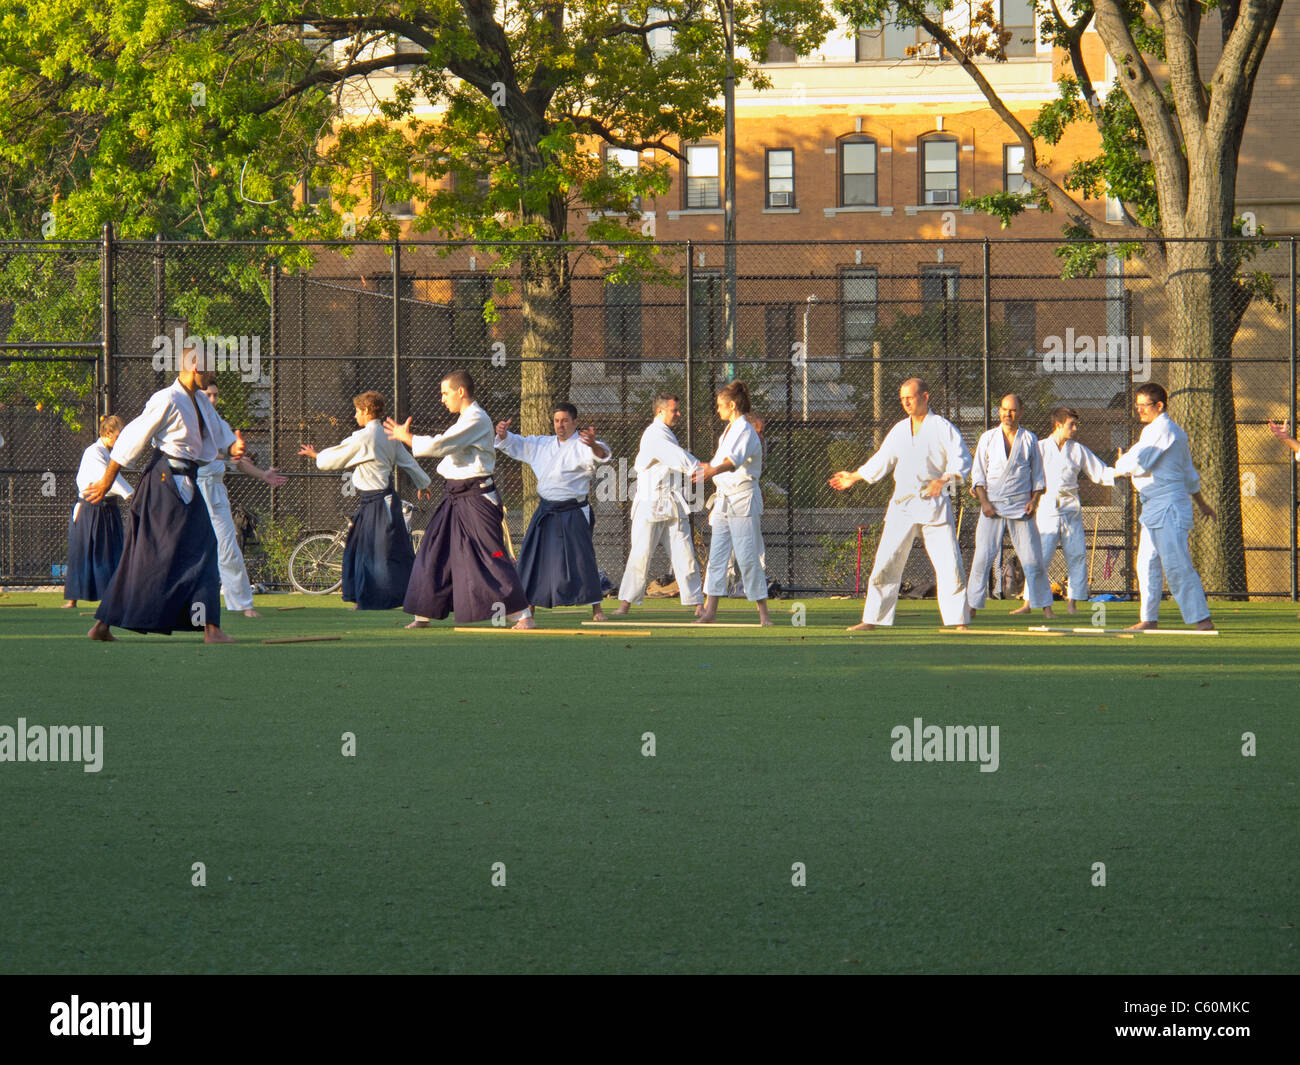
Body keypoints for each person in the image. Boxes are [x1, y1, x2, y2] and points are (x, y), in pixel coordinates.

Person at [84, 346, 243, 642]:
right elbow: (132, 438)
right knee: (154, 553)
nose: (214, 374)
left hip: (184, 481)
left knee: (189, 547)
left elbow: (218, 431)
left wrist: (233, 445)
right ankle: (210, 629)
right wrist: (107, 481)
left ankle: (104, 625)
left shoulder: (199, 400)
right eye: (210, 369)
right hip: (163, 482)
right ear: (195, 366)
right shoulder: (167, 398)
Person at [385, 371, 534, 629]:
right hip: (453, 496)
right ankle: (423, 614)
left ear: (461, 392)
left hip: (477, 497)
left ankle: (523, 615)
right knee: (433, 550)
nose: (442, 400)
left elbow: (442, 445)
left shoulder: (476, 418)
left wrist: (407, 438)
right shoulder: (465, 418)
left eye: (445, 393)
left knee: (492, 554)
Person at [829, 377, 971, 630]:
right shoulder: (899, 430)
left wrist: (944, 480)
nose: (905, 402)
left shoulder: (941, 427)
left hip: (934, 505)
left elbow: (961, 461)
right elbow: (882, 459)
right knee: (886, 563)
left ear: (925, 397)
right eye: (902, 398)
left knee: (949, 563)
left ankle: (958, 621)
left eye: (911, 396)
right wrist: (854, 476)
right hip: (903, 506)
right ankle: (872, 620)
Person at [300, 390, 430, 610]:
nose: (354, 416)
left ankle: (374, 600)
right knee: (372, 550)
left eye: (357, 411)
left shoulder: (364, 437)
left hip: (379, 504)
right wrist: (423, 482)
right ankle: (368, 598)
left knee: (375, 553)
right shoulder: (388, 434)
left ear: (367, 411)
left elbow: (335, 458)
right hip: (379, 502)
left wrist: (318, 457)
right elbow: (407, 461)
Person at [494, 402, 612, 620]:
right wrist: (504, 434)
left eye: (565, 420)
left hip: (573, 510)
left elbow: (602, 454)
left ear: (575, 422)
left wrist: (594, 444)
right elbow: (517, 443)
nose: (560, 425)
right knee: (533, 557)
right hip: (546, 509)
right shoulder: (543, 444)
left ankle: (597, 608)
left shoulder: (584, 444)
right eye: (557, 420)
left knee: (583, 559)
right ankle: (529, 607)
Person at [1112, 383, 1215, 630]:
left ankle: (1202, 619)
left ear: (1159, 406)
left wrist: (1120, 464)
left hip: (1169, 508)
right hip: (1154, 508)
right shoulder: (1160, 431)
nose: (1139, 411)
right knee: (1146, 562)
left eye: (1143, 406)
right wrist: (1202, 504)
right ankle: (1148, 619)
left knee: (1176, 563)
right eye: (1137, 406)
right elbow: (1189, 474)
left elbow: (1140, 461)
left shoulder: (1164, 429)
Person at [1010, 406, 1115, 615]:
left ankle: (1072, 604)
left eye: (1075, 424)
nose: (1075, 428)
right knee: (1040, 556)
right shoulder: (1039, 448)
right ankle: (1028, 603)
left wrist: (1122, 470)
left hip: (1071, 509)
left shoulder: (1077, 450)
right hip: (1047, 507)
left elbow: (1100, 471)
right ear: (1058, 425)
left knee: (1076, 555)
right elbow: (1022, 471)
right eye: (1071, 424)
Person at [199, 376, 287, 617]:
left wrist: (263, 474)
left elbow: (236, 460)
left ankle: (243, 605)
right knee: (183, 548)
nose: (213, 399)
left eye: (216, 395)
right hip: (191, 489)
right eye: (208, 395)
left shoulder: (221, 425)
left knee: (228, 547)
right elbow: (198, 453)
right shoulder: (187, 421)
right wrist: (227, 457)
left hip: (215, 490)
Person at [611, 393, 704, 616]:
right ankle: (625, 604)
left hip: (672, 502)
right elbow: (677, 457)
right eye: (674, 410)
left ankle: (698, 605)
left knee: (685, 555)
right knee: (641, 555)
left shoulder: (667, 434)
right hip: (650, 503)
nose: (678, 414)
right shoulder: (654, 435)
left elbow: (675, 459)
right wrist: (700, 467)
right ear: (660, 411)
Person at [967, 394, 1056, 621]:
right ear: (999, 412)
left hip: (1020, 507)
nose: (1008, 414)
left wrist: (1033, 502)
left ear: (1021, 412)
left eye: (1013, 410)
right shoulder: (987, 438)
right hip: (992, 506)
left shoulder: (1029, 439)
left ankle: (1046, 607)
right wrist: (984, 502)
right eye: (1005, 410)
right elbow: (978, 475)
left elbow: (1038, 477)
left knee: (1033, 560)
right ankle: (971, 606)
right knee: (982, 558)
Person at [693, 381, 771, 625]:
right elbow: (718, 463)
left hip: (743, 500)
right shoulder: (728, 431)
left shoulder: (745, 431)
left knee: (748, 557)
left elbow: (731, 462)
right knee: (717, 557)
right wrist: (706, 468)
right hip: (725, 500)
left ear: (732, 405)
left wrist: (712, 470)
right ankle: (710, 612)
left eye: (720, 406)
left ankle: (764, 615)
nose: (718, 410)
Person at [62, 415, 133, 609]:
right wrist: (131, 495)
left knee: (111, 552)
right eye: (119, 436)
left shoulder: (112, 452)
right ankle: (72, 600)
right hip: (89, 509)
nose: (122, 440)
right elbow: (107, 478)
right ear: (108, 433)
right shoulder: (93, 452)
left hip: (109, 508)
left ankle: (113, 597)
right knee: (81, 552)